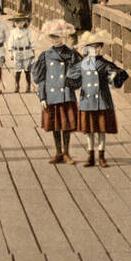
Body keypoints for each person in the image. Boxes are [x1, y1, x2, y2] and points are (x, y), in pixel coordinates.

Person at [69, 31, 129, 167]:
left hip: (102, 100)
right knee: (89, 130)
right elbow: (72, 76)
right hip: (87, 100)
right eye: (92, 47)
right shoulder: (83, 64)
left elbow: (114, 77)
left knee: (101, 129)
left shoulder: (106, 64)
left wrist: (116, 76)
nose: (95, 50)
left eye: (98, 47)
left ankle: (101, 155)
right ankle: (90, 155)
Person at [31, 18, 81, 164]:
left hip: (65, 93)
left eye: (58, 36)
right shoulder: (45, 55)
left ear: (63, 36)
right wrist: (42, 97)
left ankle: (66, 152)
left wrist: (72, 82)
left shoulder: (71, 54)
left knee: (66, 124)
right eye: (52, 36)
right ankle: (58, 152)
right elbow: (40, 78)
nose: (55, 39)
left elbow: (79, 71)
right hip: (52, 95)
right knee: (55, 124)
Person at [6, 12, 35, 92]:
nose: (19, 23)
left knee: (27, 70)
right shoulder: (13, 32)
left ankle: (28, 85)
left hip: (26, 52)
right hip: (17, 52)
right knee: (17, 71)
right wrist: (11, 53)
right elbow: (10, 42)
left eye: (21, 21)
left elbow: (32, 41)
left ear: (25, 22)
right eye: (17, 22)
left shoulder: (28, 31)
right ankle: (17, 85)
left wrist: (33, 52)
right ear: (14, 23)